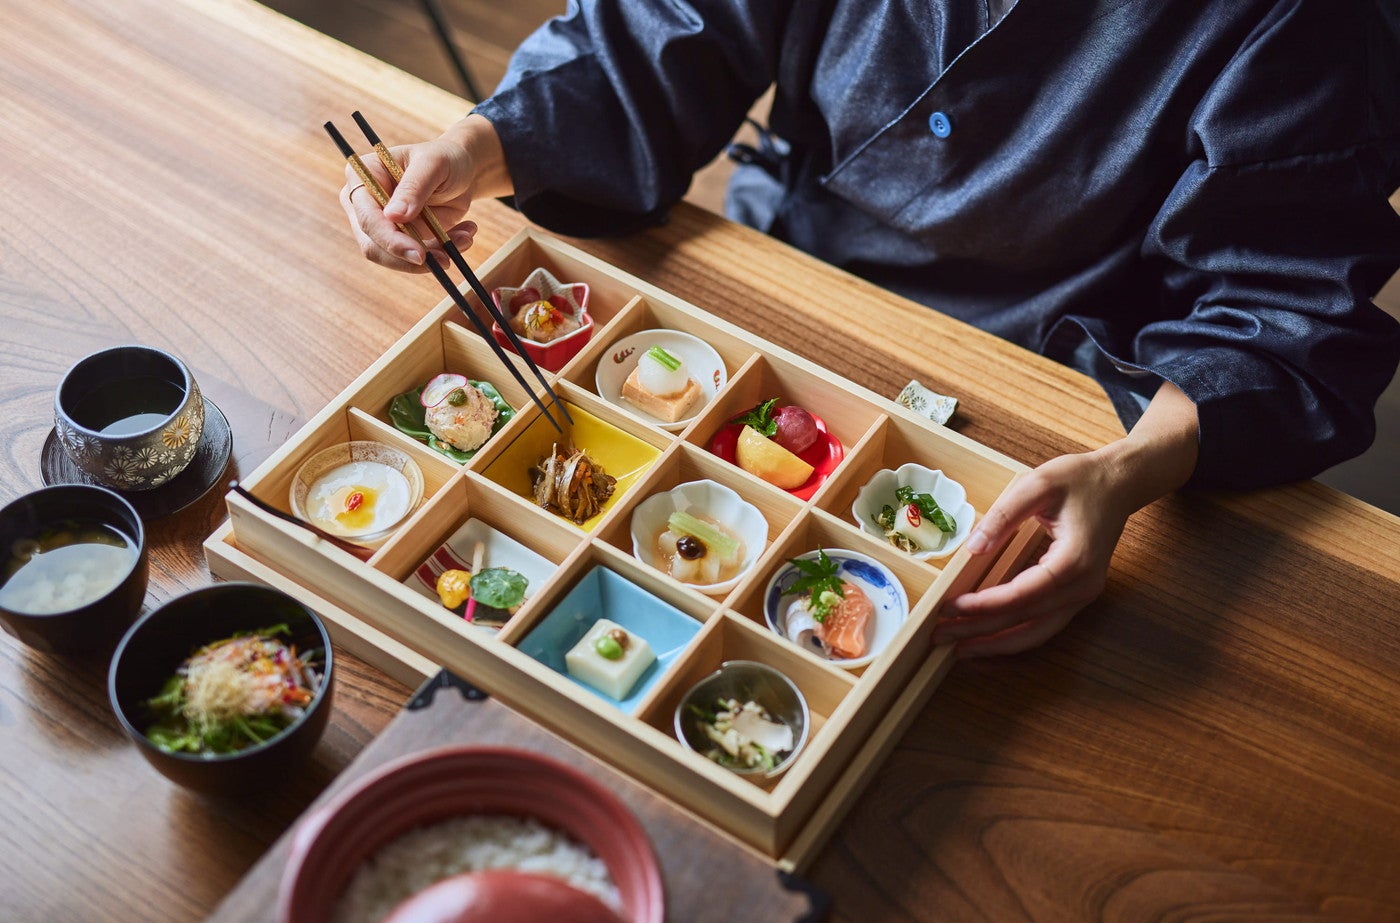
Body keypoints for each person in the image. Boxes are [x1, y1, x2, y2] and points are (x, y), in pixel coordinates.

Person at [341, 0, 1400, 657]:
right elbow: (667, 23)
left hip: (1046, 375)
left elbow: (1283, 307)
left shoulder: (1305, 17)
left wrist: (1128, 468)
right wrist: (480, 147)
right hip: (786, 262)